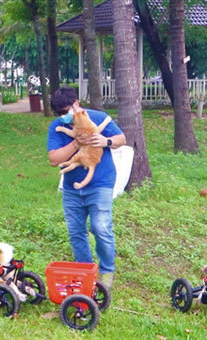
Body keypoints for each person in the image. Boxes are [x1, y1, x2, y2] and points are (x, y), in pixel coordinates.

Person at [46, 87, 126, 289]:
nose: (66, 116)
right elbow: (54, 159)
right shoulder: (57, 126)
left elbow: (121, 139)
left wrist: (105, 141)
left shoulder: (98, 117)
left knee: (101, 227)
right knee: (76, 231)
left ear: (76, 104)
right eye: (61, 113)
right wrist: (75, 143)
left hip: (100, 183)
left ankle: (107, 271)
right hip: (72, 188)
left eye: (67, 110)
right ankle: (86, 270)